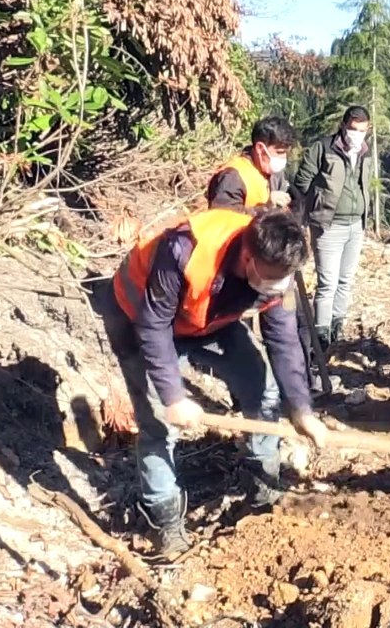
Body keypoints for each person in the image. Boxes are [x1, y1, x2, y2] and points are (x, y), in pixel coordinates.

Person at [105, 207, 330, 558]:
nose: (279, 284)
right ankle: (165, 522)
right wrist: (173, 396)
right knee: (157, 423)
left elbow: (284, 340)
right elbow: (154, 325)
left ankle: (262, 488)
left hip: (209, 318)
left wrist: (302, 410)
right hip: (138, 316)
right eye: (273, 276)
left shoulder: (277, 273)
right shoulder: (185, 249)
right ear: (248, 257)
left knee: (263, 390)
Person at [290, 106, 373, 350]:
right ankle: (321, 333)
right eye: (353, 129)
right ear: (343, 126)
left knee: (345, 280)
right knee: (327, 282)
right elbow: (302, 182)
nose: (357, 135)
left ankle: (337, 325)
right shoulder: (323, 148)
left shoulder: (366, 153)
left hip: (356, 225)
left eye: (363, 130)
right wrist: (301, 215)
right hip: (328, 225)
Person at [207, 116, 296, 210]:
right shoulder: (233, 176)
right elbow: (222, 219)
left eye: (286, 153)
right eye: (279, 152)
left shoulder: (272, 173)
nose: (283, 158)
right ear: (260, 149)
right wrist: (265, 208)